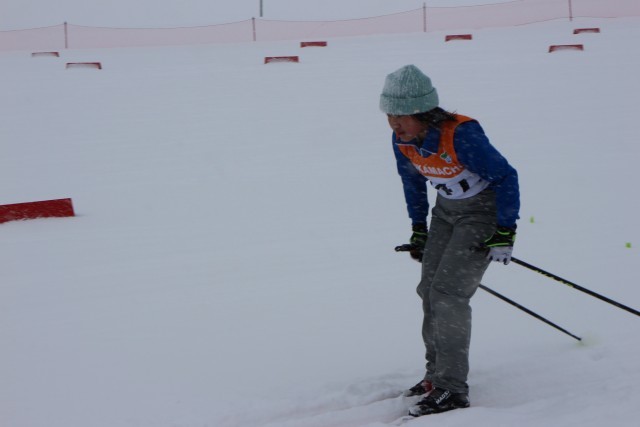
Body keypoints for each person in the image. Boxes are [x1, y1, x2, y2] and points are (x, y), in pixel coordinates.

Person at [380, 65, 520, 417]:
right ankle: (435, 376)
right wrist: (419, 228)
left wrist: (505, 230)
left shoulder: (460, 135)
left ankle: (453, 388)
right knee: (428, 289)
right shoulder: (403, 141)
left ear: (423, 112)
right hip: (445, 212)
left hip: (482, 213)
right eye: (389, 116)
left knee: (448, 294)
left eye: (401, 116)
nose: (394, 124)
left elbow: (505, 176)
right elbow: (412, 181)